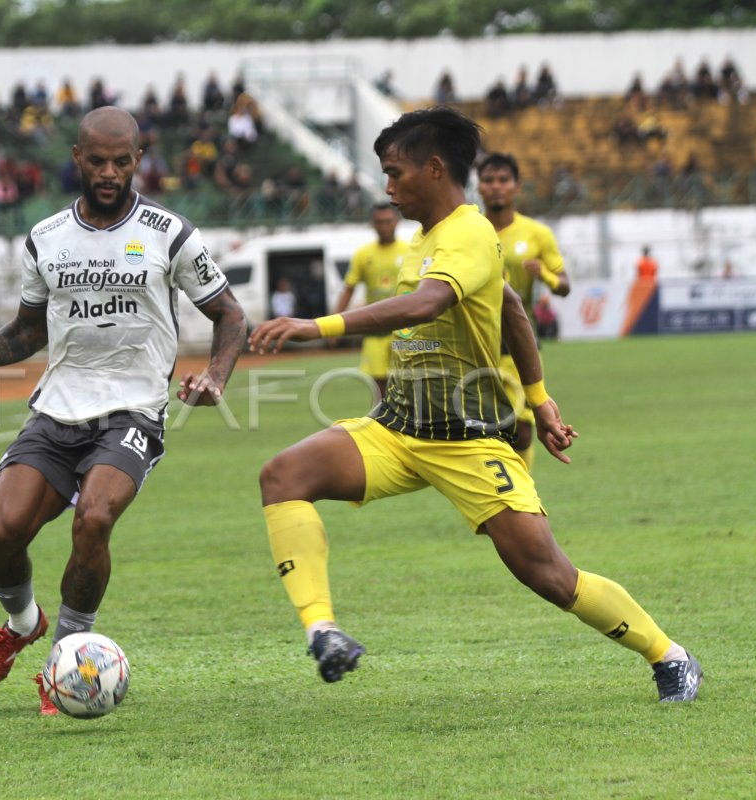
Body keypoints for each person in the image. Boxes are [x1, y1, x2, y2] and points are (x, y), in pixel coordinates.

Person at [247, 107, 701, 703]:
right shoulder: (428, 237)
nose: (387, 188)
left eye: (394, 172)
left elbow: (424, 306)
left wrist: (318, 325)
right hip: (398, 430)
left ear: (434, 168)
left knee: (550, 576)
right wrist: (540, 399)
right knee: (283, 475)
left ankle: (669, 655)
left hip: (467, 439)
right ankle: (324, 632)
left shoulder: (467, 232)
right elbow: (511, 305)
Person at [0, 106, 246, 715]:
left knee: (96, 517)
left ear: (138, 160)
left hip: (133, 410)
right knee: (3, 530)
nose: (110, 172)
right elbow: (27, 332)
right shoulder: (46, 238)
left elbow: (230, 315)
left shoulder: (171, 233)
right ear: (77, 158)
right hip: (57, 412)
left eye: (122, 160)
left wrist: (215, 376)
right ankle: (22, 623)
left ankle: (65, 660)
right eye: (98, 160)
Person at [477, 152, 570, 471]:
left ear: (517, 186)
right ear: (478, 187)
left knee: (521, 426)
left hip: (517, 339)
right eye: (488, 180)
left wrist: (544, 274)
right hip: (475, 341)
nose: (496, 187)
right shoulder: (469, 231)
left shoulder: (536, 233)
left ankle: (520, 497)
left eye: (503, 180)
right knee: (480, 429)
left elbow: (564, 286)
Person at [333, 203, 409, 399]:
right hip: (375, 331)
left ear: (397, 222)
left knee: (407, 385)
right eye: (379, 222)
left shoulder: (410, 251)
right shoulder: (363, 254)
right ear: (372, 224)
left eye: (388, 221)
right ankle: (382, 425)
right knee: (380, 391)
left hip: (404, 331)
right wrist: (333, 325)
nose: (384, 226)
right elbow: (348, 289)